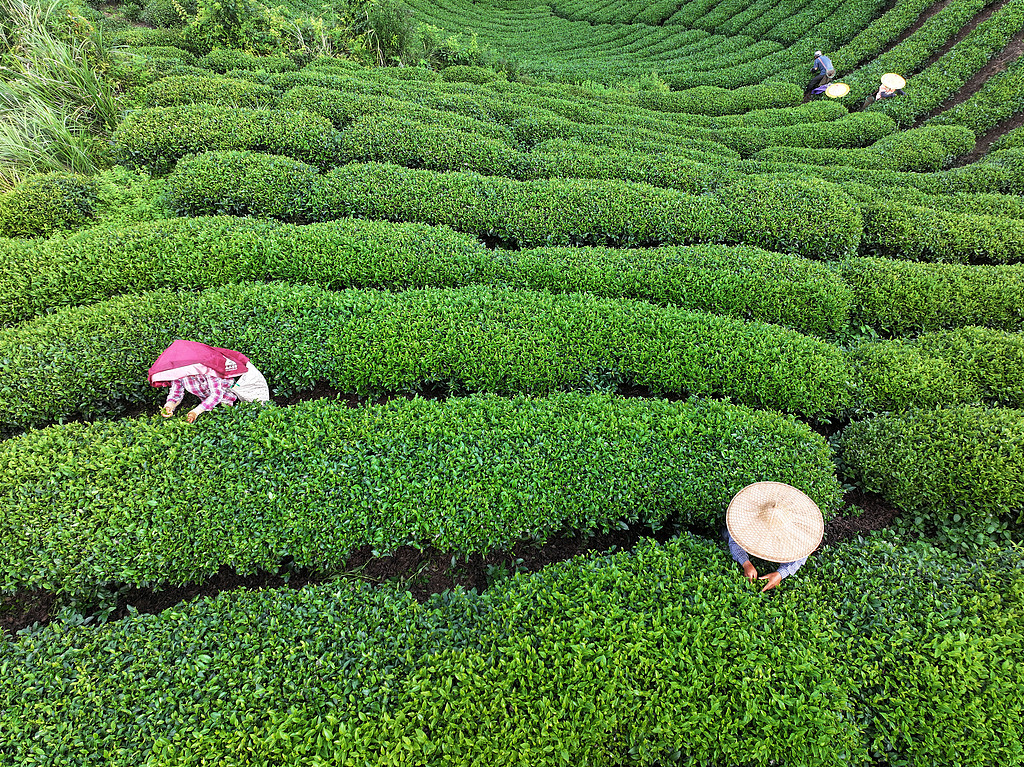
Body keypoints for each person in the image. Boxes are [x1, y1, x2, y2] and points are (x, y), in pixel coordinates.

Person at [723, 481, 824, 592]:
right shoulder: (743, 520)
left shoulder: (799, 531)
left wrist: (780, 574)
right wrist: (746, 563)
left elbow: (801, 555)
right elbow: (734, 539)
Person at [148, 340, 270, 423]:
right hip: (208, 405)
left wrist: (196, 411)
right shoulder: (180, 375)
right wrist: (169, 407)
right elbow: (176, 394)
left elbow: (216, 394)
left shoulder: (209, 370)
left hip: (230, 400)